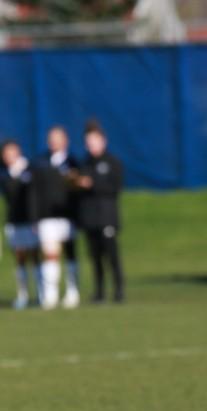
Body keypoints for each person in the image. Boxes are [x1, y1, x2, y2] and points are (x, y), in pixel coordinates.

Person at [77, 121, 125, 303]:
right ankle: (99, 292)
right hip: (90, 218)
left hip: (107, 216)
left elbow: (115, 188)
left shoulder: (112, 163)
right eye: (88, 143)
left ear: (103, 141)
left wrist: (93, 184)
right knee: (95, 257)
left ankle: (119, 290)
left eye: (94, 142)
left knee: (112, 256)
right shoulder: (84, 163)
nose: (91, 146)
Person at [34, 125, 81, 309]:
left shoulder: (73, 162)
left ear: (65, 140)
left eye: (58, 138)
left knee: (70, 253)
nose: (54, 141)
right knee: (50, 254)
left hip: (68, 216)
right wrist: (35, 216)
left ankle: (72, 291)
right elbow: (35, 193)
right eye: (51, 138)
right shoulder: (41, 163)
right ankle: (50, 294)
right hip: (47, 216)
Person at [1, 140, 40, 309]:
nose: (8, 156)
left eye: (11, 152)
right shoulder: (5, 174)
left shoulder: (29, 169)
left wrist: (35, 219)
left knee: (35, 257)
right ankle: (22, 294)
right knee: (19, 258)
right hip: (13, 222)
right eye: (5, 153)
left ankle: (41, 294)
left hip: (30, 222)